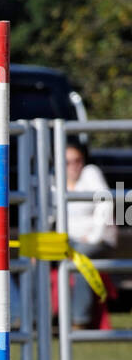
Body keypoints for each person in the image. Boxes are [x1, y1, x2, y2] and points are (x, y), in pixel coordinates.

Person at [63, 140, 117, 327]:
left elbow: (106, 203)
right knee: (33, 258)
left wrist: (93, 236)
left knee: (80, 258)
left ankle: (79, 320)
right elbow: (49, 214)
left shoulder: (90, 173)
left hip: (98, 239)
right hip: (68, 242)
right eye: (67, 162)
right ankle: (34, 318)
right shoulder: (55, 179)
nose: (74, 166)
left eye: (77, 160)